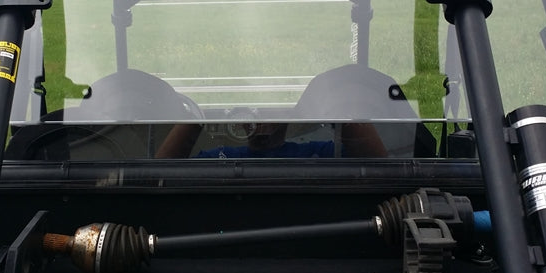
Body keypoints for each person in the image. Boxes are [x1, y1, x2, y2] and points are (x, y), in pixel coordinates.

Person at [155, 122, 387, 159]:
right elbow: (160, 174)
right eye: (252, 108)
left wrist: (334, 103)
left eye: (270, 106)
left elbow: (378, 164)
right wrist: (196, 115)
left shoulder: (320, 154)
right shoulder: (218, 158)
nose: (260, 118)